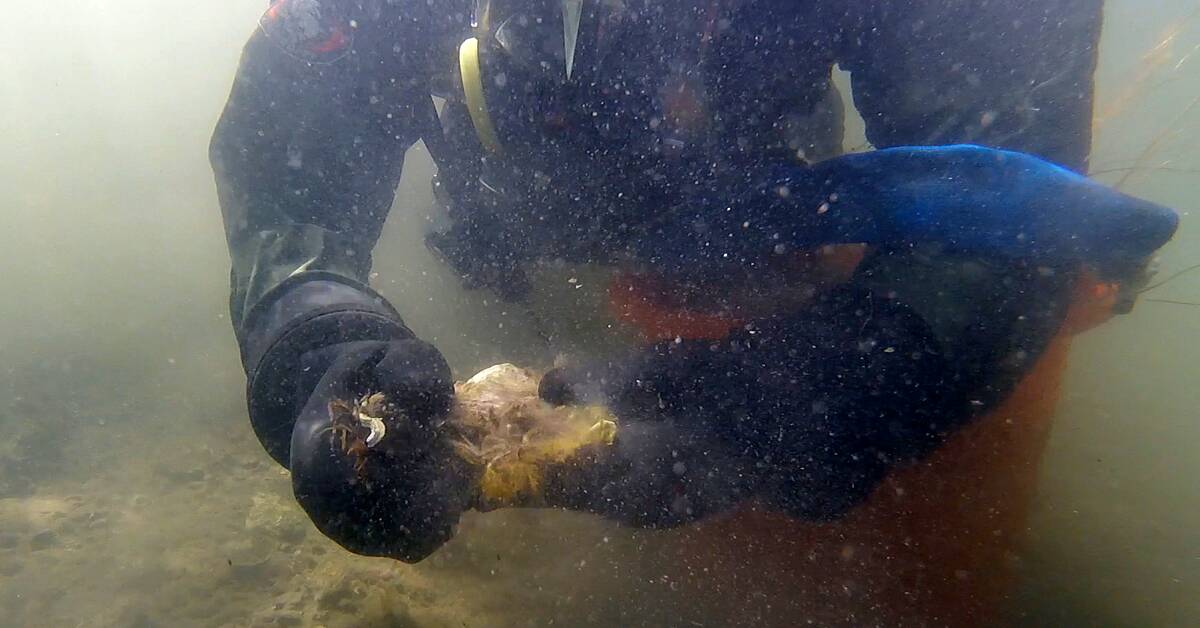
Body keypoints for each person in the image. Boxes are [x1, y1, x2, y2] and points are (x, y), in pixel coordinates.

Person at [211, 0, 1175, 585]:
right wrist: (316, 341)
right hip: (514, 222)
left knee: (854, 477)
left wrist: (840, 382)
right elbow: (290, 164)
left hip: (757, 224)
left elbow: (1020, 201)